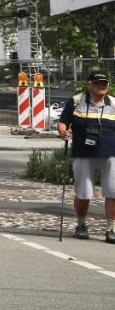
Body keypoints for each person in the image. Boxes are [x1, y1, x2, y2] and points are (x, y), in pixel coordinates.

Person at [57, 71, 115, 242]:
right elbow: (63, 122)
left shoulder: (113, 103)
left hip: (111, 154)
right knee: (83, 193)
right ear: (89, 85)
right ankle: (81, 225)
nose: (101, 86)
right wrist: (63, 132)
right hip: (83, 153)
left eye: (104, 83)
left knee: (113, 192)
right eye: (98, 83)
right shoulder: (75, 101)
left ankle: (111, 229)